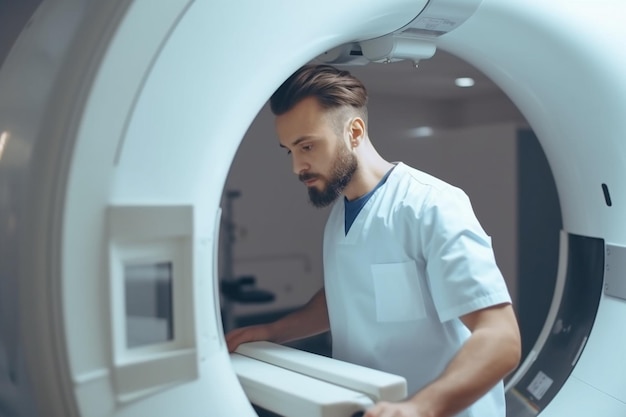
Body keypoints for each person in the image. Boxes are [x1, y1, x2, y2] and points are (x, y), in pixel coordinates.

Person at [226, 64, 522, 417]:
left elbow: (501, 339)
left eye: (307, 146)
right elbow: (349, 295)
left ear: (354, 132)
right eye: (290, 150)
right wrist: (272, 331)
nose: (297, 166)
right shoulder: (340, 214)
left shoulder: (431, 205)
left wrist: (421, 408)